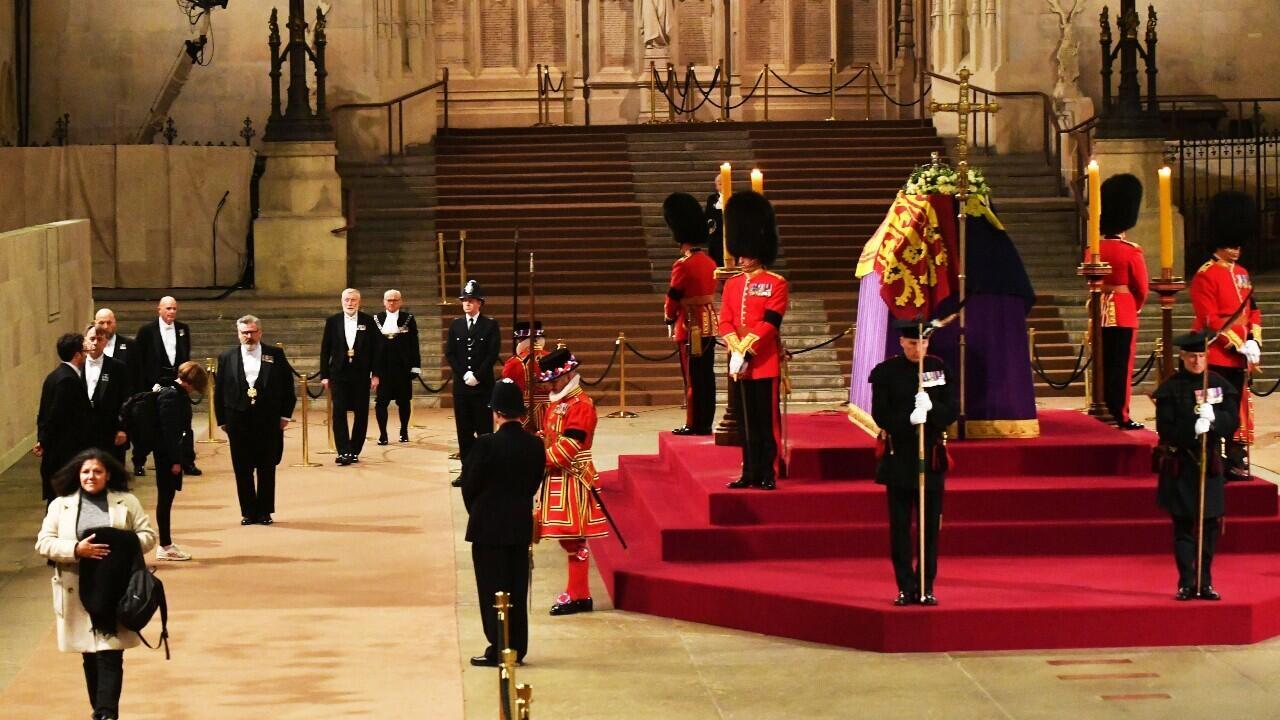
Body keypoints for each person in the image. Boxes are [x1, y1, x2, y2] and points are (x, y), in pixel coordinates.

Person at [35, 448, 157, 720]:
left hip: (115, 588)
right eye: (86, 471)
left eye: (97, 471)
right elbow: (43, 543)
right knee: (90, 655)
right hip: (77, 589)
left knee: (110, 654)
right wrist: (77, 550)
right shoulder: (60, 505)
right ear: (78, 474)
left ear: (108, 475)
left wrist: (119, 540)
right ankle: (99, 709)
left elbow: (148, 537)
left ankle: (106, 713)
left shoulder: (126, 501)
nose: (91, 476)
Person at [870, 319, 958, 606]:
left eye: (922, 343)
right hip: (899, 458)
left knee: (930, 528)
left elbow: (951, 410)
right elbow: (881, 414)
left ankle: (926, 585)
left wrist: (932, 411)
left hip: (929, 457)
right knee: (900, 528)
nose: (917, 349)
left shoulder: (937, 369)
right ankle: (905, 586)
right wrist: (908, 419)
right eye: (912, 343)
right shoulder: (886, 372)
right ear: (901, 343)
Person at [461, 379, 546, 666]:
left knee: (492, 590)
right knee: (517, 588)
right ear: (520, 413)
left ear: (496, 412)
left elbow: (469, 486)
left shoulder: (485, 444)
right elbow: (535, 483)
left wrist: (479, 511)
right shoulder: (535, 445)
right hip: (518, 526)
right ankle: (517, 647)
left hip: (487, 529)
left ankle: (498, 645)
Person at [1152, 330, 1240, 601]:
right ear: (1182, 357)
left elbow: (1232, 421)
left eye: (1202, 356)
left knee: (1210, 525)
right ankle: (1186, 582)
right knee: (1184, 526)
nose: (1197, 361)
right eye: (1192, 356)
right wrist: (1194, 427)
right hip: (1182, 466)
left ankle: (1206, 581)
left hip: (1209, 466)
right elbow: (1164, 429)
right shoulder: (1170, 388)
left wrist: (1214, 420)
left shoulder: (1218, 384)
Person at [1190, 191, 1263, 481]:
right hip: (1217, 355)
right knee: (1216, 408)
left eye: (1238, 244)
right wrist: (1237, 343)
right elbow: (1210, 319)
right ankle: (1212, 458)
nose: (1237, 249)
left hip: (1240, 358)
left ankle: (1235, 456)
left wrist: (1254, 340)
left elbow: (1252, 310)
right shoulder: (1205, 275)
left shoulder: (1243, 273)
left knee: (1238, 410)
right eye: (1231, 244)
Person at [719, 190, 789, 491]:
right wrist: (735, 348)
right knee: (746, 425)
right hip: (740, 364)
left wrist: (746, 348)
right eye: (740, 253)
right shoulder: (732, 285)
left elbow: (770, 323)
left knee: (766, 423)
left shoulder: (776, 283)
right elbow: (725, 320)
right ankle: (748, 470)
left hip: (764, 363)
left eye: (746, 253)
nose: (741, 258)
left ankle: (768, 471)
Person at [536, 347, 609, 616]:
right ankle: (578, 593)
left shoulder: (581, 405)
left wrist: (536, 459)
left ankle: (580, 595)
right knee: (568, 540)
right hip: (557, 476)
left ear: (567, 376)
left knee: (574, 540)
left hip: (573, 477)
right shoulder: (558, 401)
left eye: (553, 380)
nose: (550, 385)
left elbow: (570, 447)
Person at [216, 316, 297, 526]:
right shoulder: (226, 357)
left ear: (260, 332)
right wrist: (221, 420)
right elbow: (220, 391)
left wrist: (285, 415)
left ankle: (264, 511)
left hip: (268, 419)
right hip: (237, 419)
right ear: (238, 333)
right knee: (242, 468)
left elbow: (288, 387)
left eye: (252, 332)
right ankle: (248, 511)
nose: (248, 336)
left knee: (266, 467)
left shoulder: (275, 354)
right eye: (244, 332)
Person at [1095, 173, 1150, 429]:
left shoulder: (1093, 248)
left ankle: (1101, 407)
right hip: (1124, 310)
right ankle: (1121, 414)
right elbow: (1142, 287)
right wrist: (1133, 307)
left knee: (1103, 365)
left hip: (1098, 311)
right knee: (1122, 367)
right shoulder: (1130, 250)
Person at [663, 191, 719, 435]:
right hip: (709, 322)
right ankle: (706, 420)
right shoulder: (709, 262)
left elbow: (673, 297)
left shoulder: (682, 264)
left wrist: (668, 316)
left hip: (689, 325)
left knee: (693, 378)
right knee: (707, 374)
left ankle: (694, 422)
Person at [131, 296, 198, 476]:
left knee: (184, 423)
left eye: (174, 308)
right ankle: (139, 461)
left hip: (178, 383)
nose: (171, 312)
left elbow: (186, 357)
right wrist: (147, 385)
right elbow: (139, 361)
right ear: (159, 309)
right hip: (153, 384)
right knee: (148, 424)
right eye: (168, 308)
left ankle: (187, 461)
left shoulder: (183, 329)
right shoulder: (146, 331)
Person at [151, 360, 208, 561]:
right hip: (166, 456)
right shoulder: (172, 396)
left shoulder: (170, 391)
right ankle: (165, 545)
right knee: (165, 500)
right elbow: (170, 433)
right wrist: (176, 461)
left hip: (168, 454)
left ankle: (166, 543)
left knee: (167, 499)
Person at [446, 280, 500, 486]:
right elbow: (450, 353)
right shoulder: (456, 325)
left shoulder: (490, 325)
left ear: (480, 303)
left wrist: (477, 375)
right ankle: (467, 471)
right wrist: (463, 374)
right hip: (462, 389)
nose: (467, 304)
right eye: (464, 300)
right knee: (464, 431)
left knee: (484, 431)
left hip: (482, 386)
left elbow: (492, 353)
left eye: (471, 300)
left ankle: (486, 471)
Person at [319, 288, 381, 465]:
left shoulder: (368, 321)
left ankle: (355, 450)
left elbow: (377, 351)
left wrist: (375, 374)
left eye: (353, 300)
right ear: (342, 301)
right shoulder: (333, 321)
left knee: (361, 413)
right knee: (339, 412)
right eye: (347, 300)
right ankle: (343, 451)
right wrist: (324, 374)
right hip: (338, 374)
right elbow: (325, 350)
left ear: (359, 302)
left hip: (361, 375)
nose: (350, 303)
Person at [35, 333, 94, 503]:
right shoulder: (67, 380)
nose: (86, 354)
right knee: (62, 502)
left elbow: (43, 414)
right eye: (84, 351)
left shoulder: (54, 376)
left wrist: (42, 439)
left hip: (58, 452)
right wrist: (44, 441)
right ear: (77, 355)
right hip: (64, 455)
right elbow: (55, 416)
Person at [373, 289, 421, 445]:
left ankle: (404, 431)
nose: (392, 303)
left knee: (404, 401)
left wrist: (415, 366)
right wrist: (372, 371)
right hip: (383, 369)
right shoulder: (376, 319)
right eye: (389, 300)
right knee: (381, 403)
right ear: (384, 302)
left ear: (401, 302)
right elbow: (371, 347)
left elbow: (414, 344)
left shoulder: (408, 319)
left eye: (395, 300)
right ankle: (383, 434)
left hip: (402, 368)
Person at [83, 324, 133, 466]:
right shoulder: (77, 367)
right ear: (85, 340)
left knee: (113, 474)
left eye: (99, 339)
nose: (95, 343)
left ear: (105, 341)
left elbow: (126, 400)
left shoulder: (118, 368)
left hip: (110, 431)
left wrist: (122, 428)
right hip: (83, 433)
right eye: (92, 339)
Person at [500, 321, 549, 433]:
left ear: (521, 341)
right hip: (550, 412)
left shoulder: (513, 363)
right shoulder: (551, 358)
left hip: (524, 414)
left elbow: (507, 391)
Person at [704, 173, 725, 268]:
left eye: (722, 183)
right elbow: (708, 214)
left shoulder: (733, 198)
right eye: (718, 183)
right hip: (716, 235)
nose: (720, 185)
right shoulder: (712, 199)